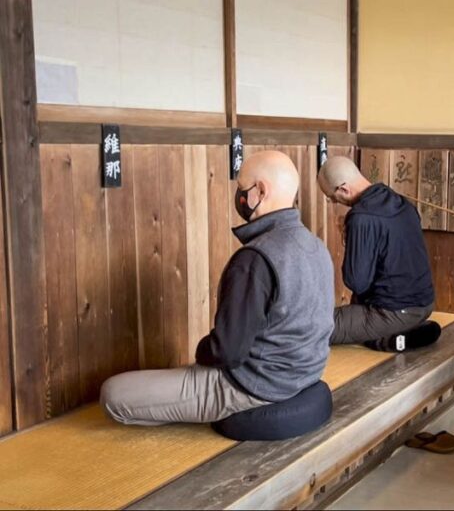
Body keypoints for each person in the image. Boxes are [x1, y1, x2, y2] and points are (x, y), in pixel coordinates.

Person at [100, 151, 335, 425]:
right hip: (303, 374)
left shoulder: (256, 259)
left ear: (260, 190)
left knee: (113, 394)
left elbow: (227, 352)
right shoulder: (315, 245)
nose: (240, 197)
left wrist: (201, 351)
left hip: (249, 386)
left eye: (241, 188)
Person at [317, 156, 439, 352]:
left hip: (392, 311)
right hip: (424, 303)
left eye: (332, 197)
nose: (334, 202)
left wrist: (347, 240)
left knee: (311, 328)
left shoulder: (361, 217)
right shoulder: (401, 202)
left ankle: (389, 339)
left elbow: (356, 282)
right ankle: (399, 337)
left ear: (343, 189)